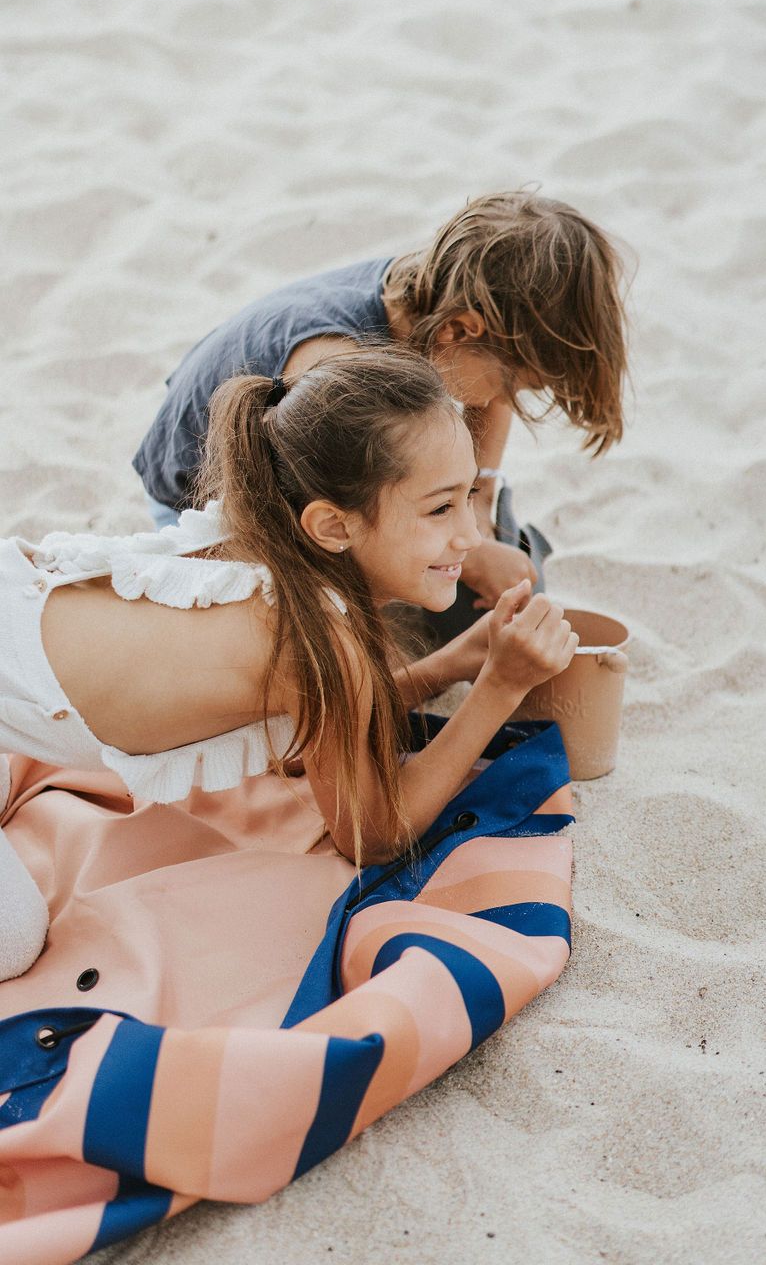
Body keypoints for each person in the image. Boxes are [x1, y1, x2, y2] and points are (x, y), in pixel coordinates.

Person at [0, 350, 578, 983]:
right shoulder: (319, 642)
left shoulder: (277, 544)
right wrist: (500, 686)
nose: (470, 534)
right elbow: (374, 835)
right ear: (332, 525)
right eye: (440, 509)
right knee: (11, 944)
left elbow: (335, 714)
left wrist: (457, 662)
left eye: (470, 495)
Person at [132, 190, 629, 632]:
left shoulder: (439, 294)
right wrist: (474, 555)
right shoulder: (337, 374)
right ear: (461, 329)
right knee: (411, 621)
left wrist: (480, 498)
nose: (510, 399)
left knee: (494, 579)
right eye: (516, 382)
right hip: (214, 498)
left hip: (347, 475)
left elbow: (488, 398)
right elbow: (342, 517)